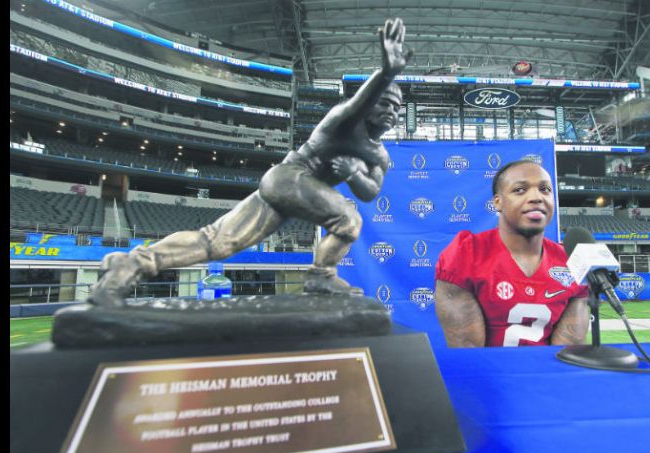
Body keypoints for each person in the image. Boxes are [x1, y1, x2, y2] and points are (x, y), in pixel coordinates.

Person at [89, 18, 413, 307]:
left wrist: (354, 173)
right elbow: (360, 100)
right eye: (384, 102)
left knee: (216, 242)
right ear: (370, 104)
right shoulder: (344, 120)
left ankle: (129, 265)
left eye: (397, 108)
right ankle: (321, 274)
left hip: (290, 192)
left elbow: (371, 191)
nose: (391, 111)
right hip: (290, 177)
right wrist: (386, 74)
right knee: (349, 220)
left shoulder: (379, 154)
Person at [435, 160, 589, 347]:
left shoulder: (570, 261)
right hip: (488, 374)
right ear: (498, 202)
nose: (537, 197)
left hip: (547, 374)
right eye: (520, 190)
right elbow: (469, 354)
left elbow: (566, 352)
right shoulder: (467, 254)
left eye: (545, 189)